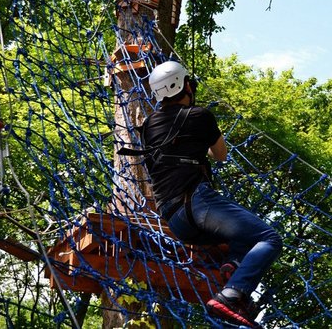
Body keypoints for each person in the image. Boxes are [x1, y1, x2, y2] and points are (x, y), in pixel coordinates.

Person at [121, 61, 283, 327]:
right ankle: (232, 294)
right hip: (197, 202)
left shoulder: (149, 125)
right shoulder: (200, 116)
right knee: (268, 238)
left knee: (243, 238)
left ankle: (232, 264)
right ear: (185, 85)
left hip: (175, 219)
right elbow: (220, 155)